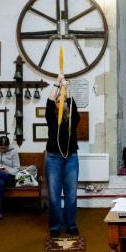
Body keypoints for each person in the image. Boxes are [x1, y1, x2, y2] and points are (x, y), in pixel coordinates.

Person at [45, 73, 80, 237]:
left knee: (71, 195)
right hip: (53, 158)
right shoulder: (51, 118)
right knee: (54, 195)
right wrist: (57, 84)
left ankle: (71, 224)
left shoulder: (73, 119)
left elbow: (73, 104)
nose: (60, 103)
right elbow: (49, 102)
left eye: (63, 101)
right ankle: (55, 226)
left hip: (71, 158)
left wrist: (66, 87)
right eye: (58, 101)